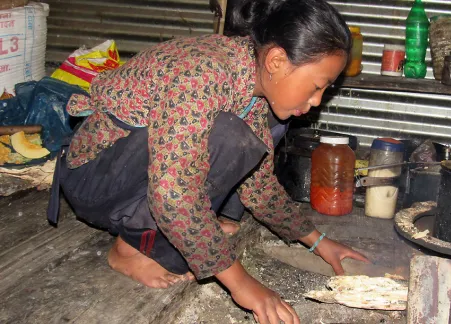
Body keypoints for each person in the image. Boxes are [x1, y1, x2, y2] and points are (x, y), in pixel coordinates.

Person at [47, 0, 370, 323]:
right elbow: (172, 193)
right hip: (92, 179)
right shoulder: (204, 73)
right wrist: (241, 284)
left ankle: (171, 226)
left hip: (125, 180)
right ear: (276, 61)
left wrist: (318, 242)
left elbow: (259, 187)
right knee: (227, 138)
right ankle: (129, 249)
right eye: (317, 86)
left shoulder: (251, 84)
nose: (316, 102)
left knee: (239, 142)